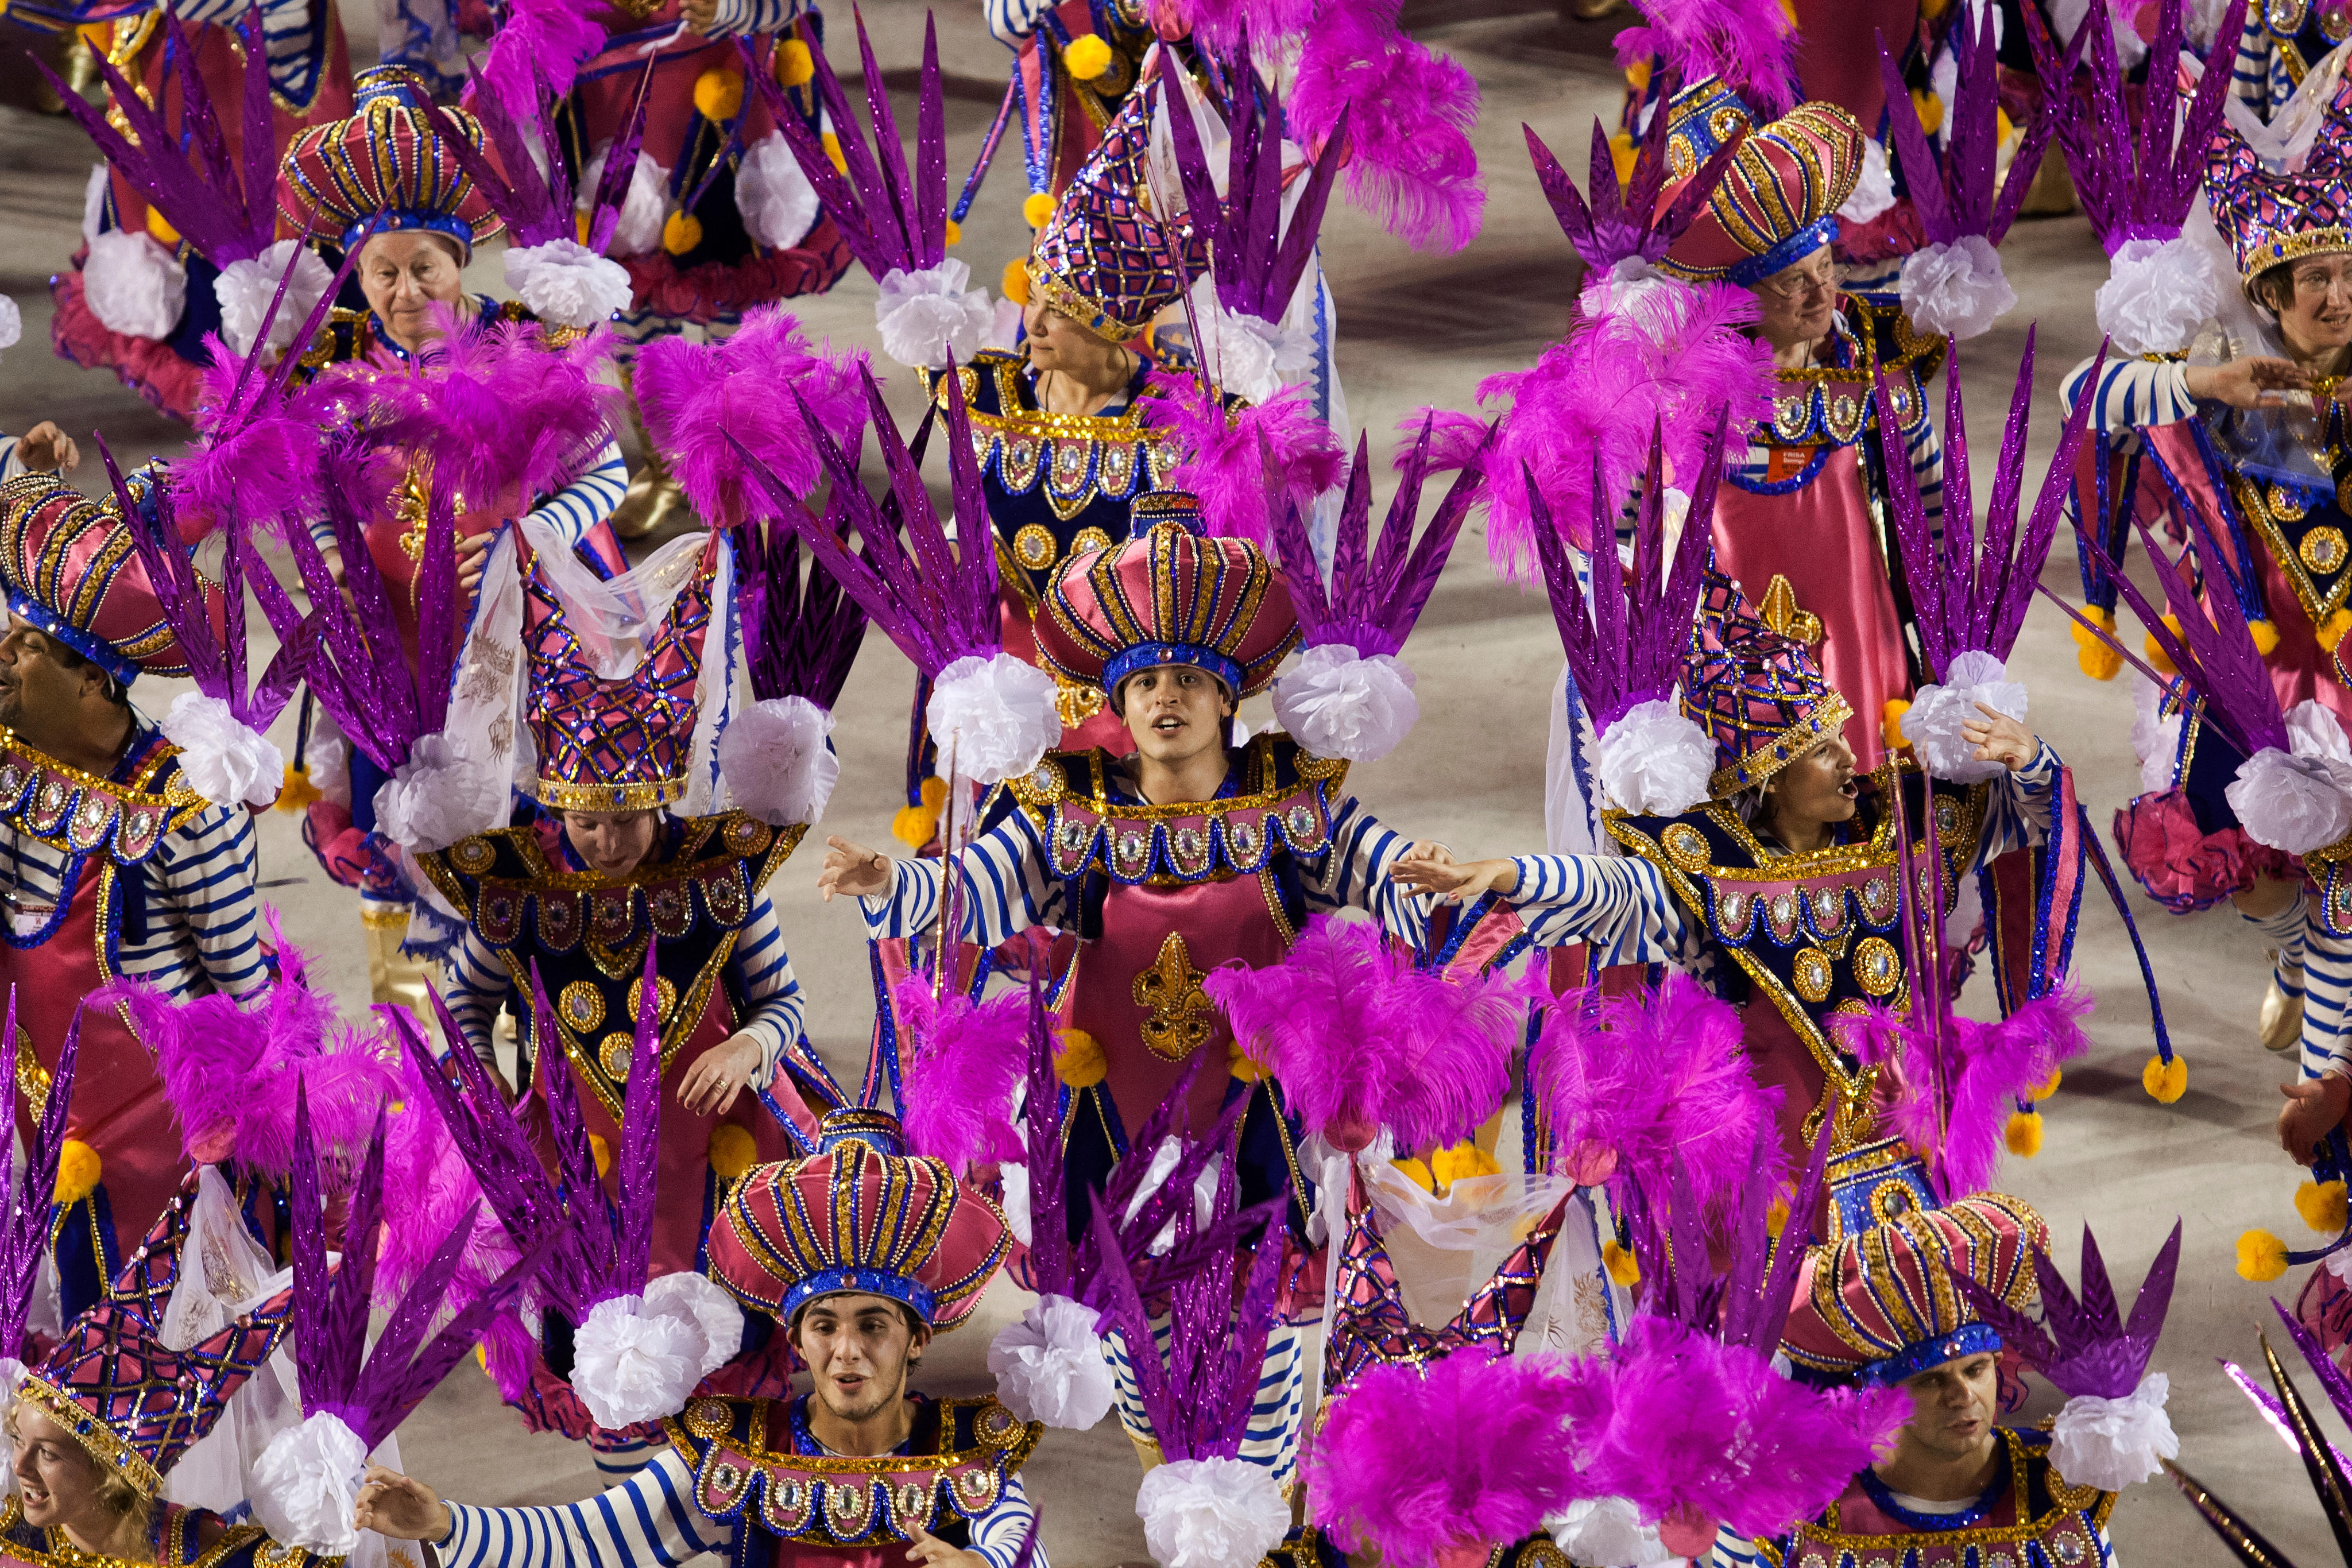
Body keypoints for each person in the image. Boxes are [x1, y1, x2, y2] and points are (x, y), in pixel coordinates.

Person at [821, 491, 1590, 1484]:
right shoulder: (1071, 811)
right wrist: (892, 882)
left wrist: (1437, 878)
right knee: (1129, 1329)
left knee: (1259, 1326)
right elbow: (971, 889)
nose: (1165, 699)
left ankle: (1254, 1493)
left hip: (1253, 1122)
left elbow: (1386, 868)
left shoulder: (1291, 809)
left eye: (1189, 677)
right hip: (1104, 1121)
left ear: (1231, 696)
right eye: (1144, 683)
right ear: (1119, 704)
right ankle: (1177, 1480)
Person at [1396, 574, 2059, 1172]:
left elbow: (2035, 817)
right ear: (1769, 782)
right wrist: (1500, 871)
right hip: (1776, 1173)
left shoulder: (1907, 829)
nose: (1848, 755)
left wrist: (2031, 759)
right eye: (1820, 749)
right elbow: (1611, 893)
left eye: (1839, 737)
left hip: (1911, 1141)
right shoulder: (1715, 872)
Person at [272, 65, 629, 1017]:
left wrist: (526, 537)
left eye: (421, 268)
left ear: (460, 261)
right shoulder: (338, 377)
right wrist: (333, 561)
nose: (400, 291)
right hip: (392, 647)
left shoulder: (528, 355)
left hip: (512, 647)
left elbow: (607, 477)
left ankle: (535, 1021)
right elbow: (307, 492)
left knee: (522, 841)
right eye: (380, 272)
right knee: (398, 838)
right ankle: (411, 1042)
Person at [353, 1108, 1045, 1568]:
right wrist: (448, 1524)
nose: (847, 1350)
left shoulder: (968, 1458)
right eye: (825, 1325)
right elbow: (585, 1541)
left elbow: (1022, 1546)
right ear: (795, 1339)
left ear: (918, 1338)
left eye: (873, 1325)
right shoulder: (737, 1454)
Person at [2063, 96, 2352, 1060]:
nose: (2339, 296)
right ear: (2269, 294)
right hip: (2257, 669)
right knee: (2249, 865)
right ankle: (2286, 952)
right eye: (2315, 278)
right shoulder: (2233, 391)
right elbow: (2083, 399)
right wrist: (2199, 385)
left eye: (2350, 275)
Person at [0, 466, 268, 1316]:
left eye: (26, 645)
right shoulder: (11, 772)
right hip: (35, 1144)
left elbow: (247, 993)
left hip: (167, 1165)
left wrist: (263, 1149)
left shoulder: (186, 808)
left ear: (91, 682)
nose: (1, 656)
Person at [1651, 76, 1947, 773]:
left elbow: (1933, 503)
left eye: (1826, 268)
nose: (1823, 293)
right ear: (1742, 300)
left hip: (1855, 621)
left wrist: (1946, 638)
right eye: (1794, 283)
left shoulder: (1875, 363)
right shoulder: (1685, 393)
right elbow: (1634, 537)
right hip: (1735, 647)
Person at [922, 86, 1211, 785]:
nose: (1034, 325)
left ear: (1111, 327)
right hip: (994, 686)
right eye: (1035, 301)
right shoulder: (983, 395)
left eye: (1061, 313)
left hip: (1126, 706)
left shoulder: (1179, 418)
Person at [1746, 1143, 2120, 1568]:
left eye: (1975, 1369)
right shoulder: (1812, 1513)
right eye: (1931, 1379)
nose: (1963, 1395)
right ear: (1877, 1395)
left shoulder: (2056, 1487)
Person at [44, 0, 355, 421]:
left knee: (262, 148)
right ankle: (212, 349)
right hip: (164, 31)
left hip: (257, 32)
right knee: (170, 137)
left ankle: (277, 348)